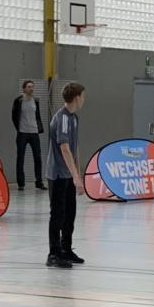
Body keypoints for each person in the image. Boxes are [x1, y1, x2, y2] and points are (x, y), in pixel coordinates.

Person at [47, 83, 87, 269]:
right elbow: (64, 148)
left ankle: (66, 248)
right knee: (57, 214)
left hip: (69, 174)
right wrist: (75, 178)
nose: (84, 100)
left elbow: (74, 147)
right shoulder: (61, 118)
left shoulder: (75, 119)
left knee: (70, 213)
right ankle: (53, 253)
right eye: (83, 96)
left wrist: (77, 174)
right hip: (58, 174)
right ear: (77, 97)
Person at [11, 80, 45, 191]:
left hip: (34, 132)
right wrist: (19, 128)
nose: (31, 88)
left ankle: (39, 182)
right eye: (29, 87)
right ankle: (21, 183)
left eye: (32, 87)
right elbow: (14, 116)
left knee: (38, 158)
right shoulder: (18, 101)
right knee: (20, 158)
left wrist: (38, 127)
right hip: (23, 133)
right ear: (24, 88)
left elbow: (37, 116)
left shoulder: (36, 101)